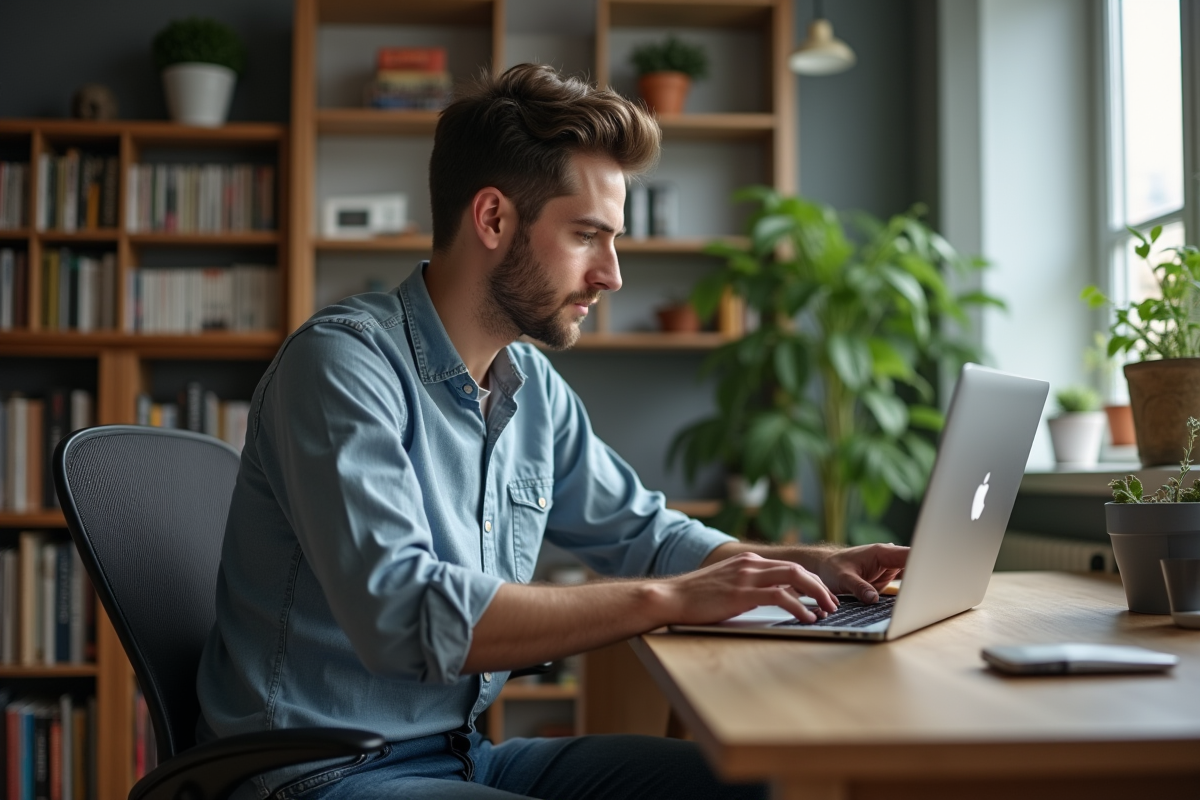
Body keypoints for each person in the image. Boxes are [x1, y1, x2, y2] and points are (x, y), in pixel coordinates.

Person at [196, 63, 907, 800]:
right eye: (588, 236)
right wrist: (667, 600)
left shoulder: (531, 389)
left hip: (461, 754)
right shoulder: (342, 366)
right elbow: (404, 617)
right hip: (316, 773)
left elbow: (647, 534)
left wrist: (802, 565)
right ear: (494, 219)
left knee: (757, 788)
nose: (613, 275)